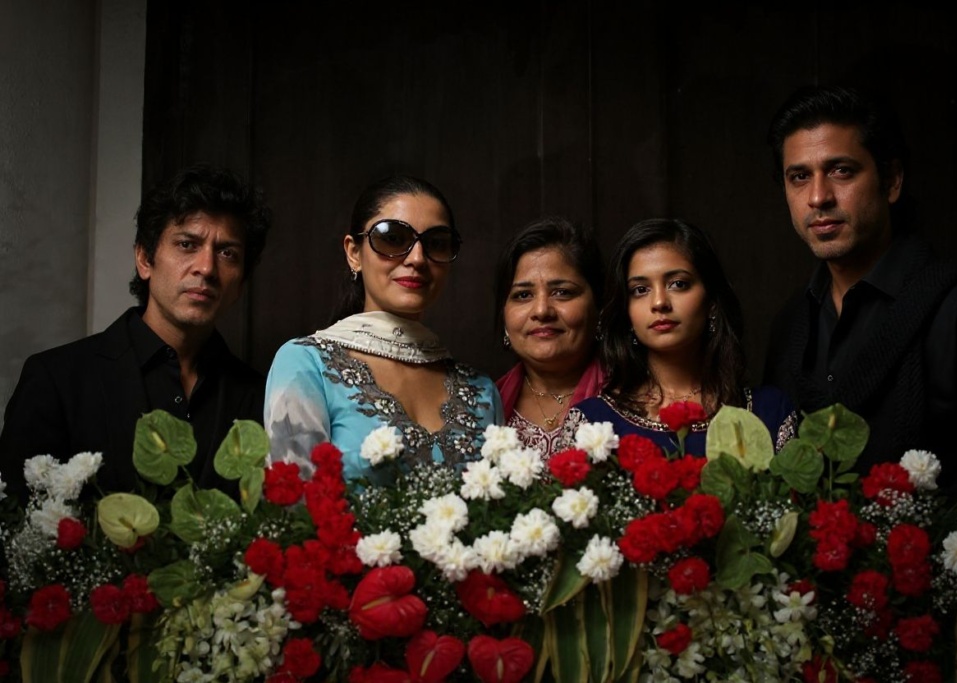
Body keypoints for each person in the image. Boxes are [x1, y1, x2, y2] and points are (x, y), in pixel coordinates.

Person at [762, 84, 957, 483]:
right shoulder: (790, 328)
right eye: (799, 176)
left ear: (893, 180)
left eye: (841, 171)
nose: (818, 197)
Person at [0, 164, 271, 500]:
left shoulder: (260, 396)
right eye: (187, 244)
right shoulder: (57, 379)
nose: (206, 267)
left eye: (227, 253)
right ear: (144, 259)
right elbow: (16, 527)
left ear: (241, 283)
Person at [264, 176, 501, 483]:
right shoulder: (305, 365)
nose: (417, 258)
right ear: (353, 252)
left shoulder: (481, 391)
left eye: (436, 243)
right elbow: (293, 513)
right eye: (392, 238)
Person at [569, 218, 796, 455]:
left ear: (711, 303)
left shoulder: (769, 411)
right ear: (626, 311)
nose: (659, 302)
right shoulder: (592, 425)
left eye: (678, 284)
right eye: (640, 290)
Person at [494, 217, 605, 457]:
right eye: (523, 295)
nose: (542, 311)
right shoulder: (482, 406)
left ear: (598, 307)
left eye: (562, 292)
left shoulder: (634, 402)